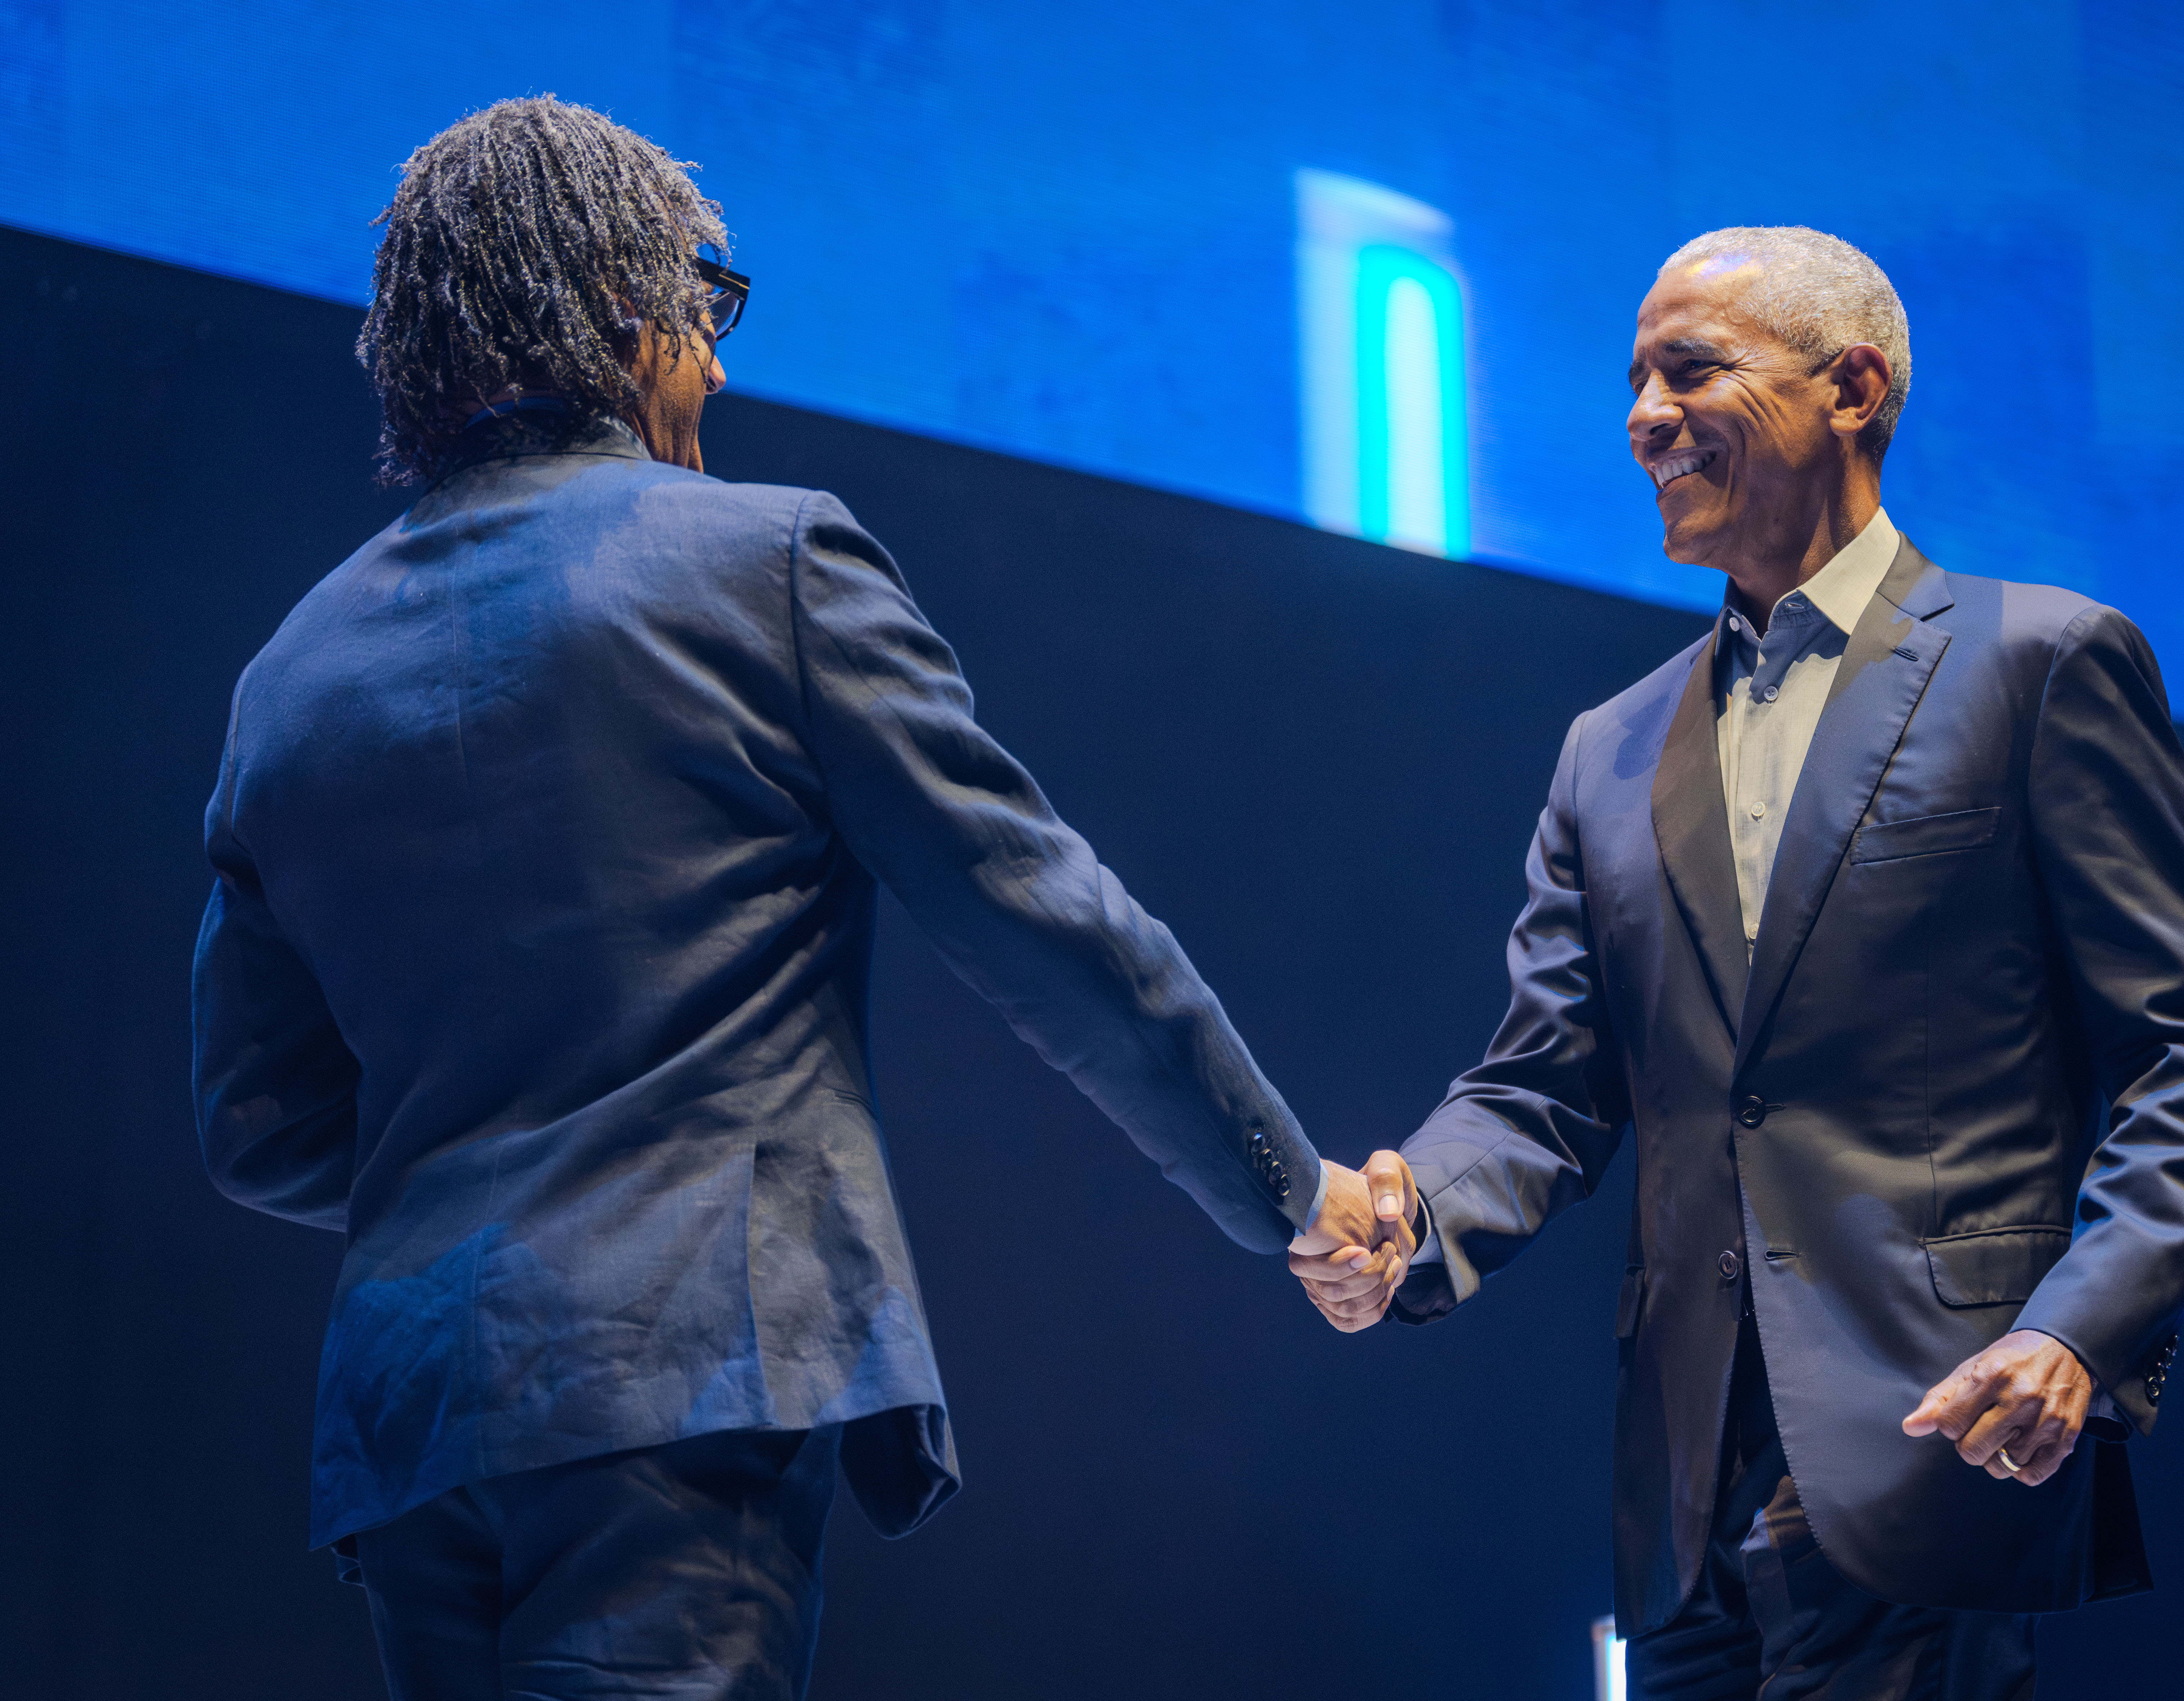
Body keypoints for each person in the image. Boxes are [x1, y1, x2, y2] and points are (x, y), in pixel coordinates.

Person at [192, 97, 1386, 1701]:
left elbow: (257, 1124)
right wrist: (1295, 1194)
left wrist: (475, 1147)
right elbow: (1052, 924)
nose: (722, 366)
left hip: (412, 1430)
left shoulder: (291, 675)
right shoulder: (770, 567)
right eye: (707, 310)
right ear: (620, 310)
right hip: (687, 1374)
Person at [1293, 227, 2184, 1698]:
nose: (1642, 416)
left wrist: (2078, 1328)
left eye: (1692, 370)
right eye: (1633, 380)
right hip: (1683, 1489)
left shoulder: (2042, 663)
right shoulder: (1607, 748)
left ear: (1854, 388)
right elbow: (1545, 1085)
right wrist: (1409, 1207)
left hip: (1938, 1437)